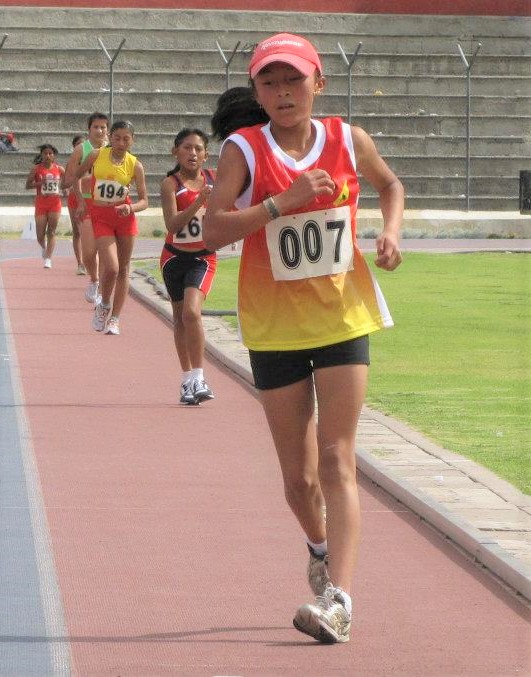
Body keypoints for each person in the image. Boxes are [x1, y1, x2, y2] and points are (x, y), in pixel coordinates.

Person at [204, 34, 404, 644]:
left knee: (338, 456)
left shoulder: (348, 139)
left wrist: (390, 233)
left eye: (294, 80)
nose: (283, 93)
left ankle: (339, 601)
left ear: (319, 82)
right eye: (269, 83)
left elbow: (390, 185)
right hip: (275, 327)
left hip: (343, 317)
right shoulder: (244, 148)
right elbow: (212, 231)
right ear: (257, 90)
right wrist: (280, 204)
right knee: (299, 482)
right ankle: (319, 545)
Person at [160, 128, 217, 405]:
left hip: (203, 258)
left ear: (206, 155)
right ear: (176, 152)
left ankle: (199, 377)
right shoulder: (170, 184)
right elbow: (172, 225)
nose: (192, 153)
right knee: (180, 317)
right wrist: (198, 202)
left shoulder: (215, 180)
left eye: (198, 148)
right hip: (173, 258)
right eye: (187, 148)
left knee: (192, 313)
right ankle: (187, 380)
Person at [75, 119, 148, 335]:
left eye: (126, 139)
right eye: (117, 138)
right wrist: (81, 201)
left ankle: (115, 318)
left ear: (133, 140)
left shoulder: (135, 165)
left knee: (124, 269)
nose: (121, 143)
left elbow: (145, 200)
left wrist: (131, 208)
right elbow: (77, 175)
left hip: (124, 218)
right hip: (102, 218)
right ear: (110, 137)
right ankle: (104, 304)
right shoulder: (96, 155)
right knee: (112, 267)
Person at [63, 112, 109, 304]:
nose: (99, 130)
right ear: (89, 129)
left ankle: (102, 291)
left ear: (107, 129)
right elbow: (69, 178)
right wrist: (81, 198)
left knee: (104, 251)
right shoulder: (81, 150)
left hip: (106, 204)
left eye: (103, 127)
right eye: (95, 127)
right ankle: (94, 279)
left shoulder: (113, 149)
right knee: (89, 251)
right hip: (86, 203)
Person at [25, 143, 66, 269]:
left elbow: (66, 183)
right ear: (41, 155)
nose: (48, 156)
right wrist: (39, 183)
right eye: (45, 153)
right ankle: (44, 247)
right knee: (40, 235)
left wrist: (65, 190)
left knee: (52, 231)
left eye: (50, 153)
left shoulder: (60, 169)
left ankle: (48, 258)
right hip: (41, 203)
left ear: (54, 156)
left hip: (55, 203)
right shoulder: (36, 169)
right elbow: (27, 185)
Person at [66, 134, 86, 275]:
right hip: (74, 198)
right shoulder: (71, 163)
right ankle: (80, 263)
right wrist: (73, 183)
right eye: (78, 144)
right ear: (74, 147)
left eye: (83, 144)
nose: (81, 147)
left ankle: (92, 261)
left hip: (91, 198)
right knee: (78, 231)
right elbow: (64, 183)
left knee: (91, 232)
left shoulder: (94, 158)